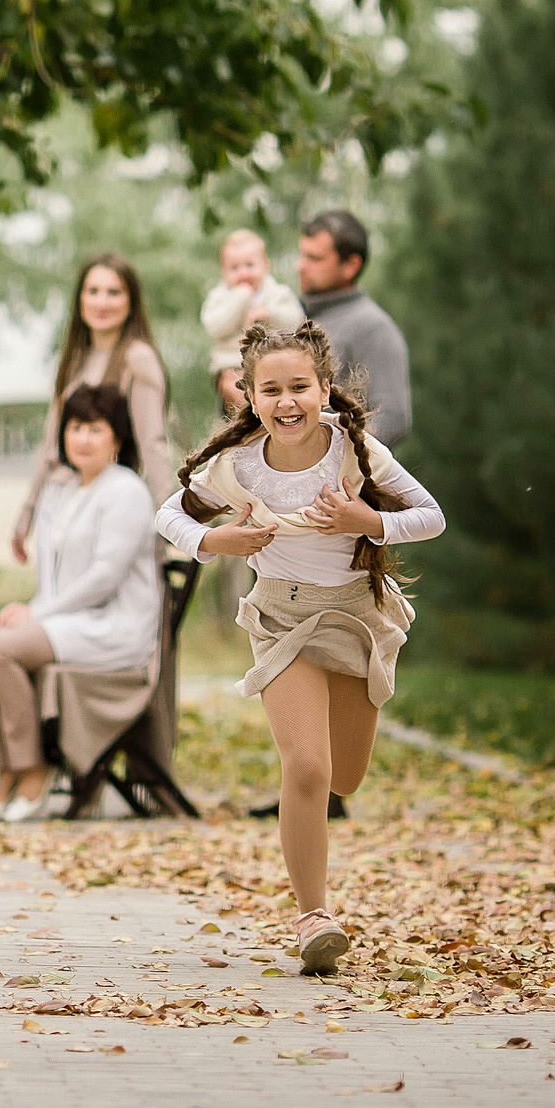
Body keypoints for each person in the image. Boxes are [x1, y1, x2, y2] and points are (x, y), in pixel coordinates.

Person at [156, 321, 446, 974]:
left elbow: (431, 516)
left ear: (323, 389)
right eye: (271, 390)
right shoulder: (238, 463)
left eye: (299, 387)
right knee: (307, 767)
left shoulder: (353, 450)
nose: (286, 402)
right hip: (282, 619)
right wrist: (215, 541)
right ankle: (314, 917)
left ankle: (318, 878)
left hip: (355, 617)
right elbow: (167, 514)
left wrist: (368, 521)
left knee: (345, 776)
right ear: (249, 396)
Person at [0, 385, 161, 823]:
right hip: (66, 622)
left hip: (111, 627)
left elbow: (104, 578)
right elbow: (54, 578)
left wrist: (37, 614)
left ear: (117, 437)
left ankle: (33, 766)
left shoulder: (126, 491)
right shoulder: (61, 490)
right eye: (75, 427)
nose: (83, 438)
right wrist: (33, 609)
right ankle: (6, 771)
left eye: (95, 429)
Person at [13, 254, 172, 564]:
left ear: (131, 301)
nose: (102, 302)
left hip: (110, 511)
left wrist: (169, 524)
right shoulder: (75, 359)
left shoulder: (137, 359)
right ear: (80, 299)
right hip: (60, 504)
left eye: (114, 292)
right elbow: (50, 446)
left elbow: (152, 445)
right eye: (93, 291)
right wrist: (27, 514)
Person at [297, 208, 412, 447]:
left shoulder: (373, 328)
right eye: (303, 255)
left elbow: (392, 419)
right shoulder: (293, 317)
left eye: (315, 258)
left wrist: (334, 460)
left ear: (351, 265)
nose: (301, 266)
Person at [200, 229, 307, 411]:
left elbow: (295, 321)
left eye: (249, 265)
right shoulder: (220, 297)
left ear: (266, 266)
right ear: (223, 271)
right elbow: (215, 327)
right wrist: (239, 299)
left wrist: (269, 314)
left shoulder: (278, 294)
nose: (243, 273)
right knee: (238, 412)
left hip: (275, 366)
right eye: (234, 268)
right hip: (233, 366)